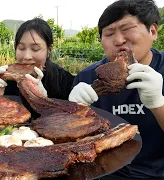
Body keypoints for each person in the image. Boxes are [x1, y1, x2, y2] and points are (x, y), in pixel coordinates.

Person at [68, 0, 164, 179]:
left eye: (127, 29)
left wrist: (158, 104)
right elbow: (72, 144)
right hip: (101, 174)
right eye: (109, 33)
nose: (119, 40)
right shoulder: (87, 78)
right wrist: (73, 114)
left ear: (153, 31)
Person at [0, 18, 74, 117]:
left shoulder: (65, 81)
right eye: (21, 48)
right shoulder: (6, 80)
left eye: (35, 49)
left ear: (49, 50)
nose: (27, 56)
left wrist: (43, 102)